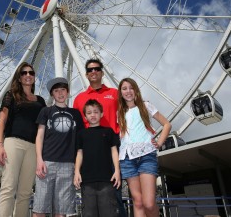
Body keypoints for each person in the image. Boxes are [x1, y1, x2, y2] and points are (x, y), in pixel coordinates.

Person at [73, 58, 126, 217]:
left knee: (115, 197)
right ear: (86, 74)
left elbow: (127, 113)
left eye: (96, 69)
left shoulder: (114, 94)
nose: (93, 72)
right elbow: (77, 129)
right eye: (90, 70)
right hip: (90, 154)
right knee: (90, 203)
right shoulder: (79, 99)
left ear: (102, 72)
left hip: (112, 148)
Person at [0, 62, 46, 217]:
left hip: (33, 147)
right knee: (8, 187)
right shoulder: (11, 95)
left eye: (31, 73)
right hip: (13, 142)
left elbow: (43, 128)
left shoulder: (40, 101)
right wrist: (0, 145)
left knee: (25, 192)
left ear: (34, 77)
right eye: (24, 73)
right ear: (19, 77)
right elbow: (2, 121)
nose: (28, 75)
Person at [117, 78, 172, 217]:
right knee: (138, 202)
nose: (128, 91)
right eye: (124, 88)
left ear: (136, 90)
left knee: (149, 203)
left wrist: (159, 142)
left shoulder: (145, 106)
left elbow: (167, 124)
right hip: (127, 158)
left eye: (131, 87)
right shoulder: (119, 113)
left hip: (146, 155)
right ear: (120, 92)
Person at [32, 77, 84, 217]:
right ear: (52, 94)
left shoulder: (76, 114)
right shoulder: (46, 111)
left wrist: (77, 168)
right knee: (39, 208)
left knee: (61, 211)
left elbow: (80, 144)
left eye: (63, 90)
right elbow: (39, 136)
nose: (60, 93)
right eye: (56, 91)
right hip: (47, 162)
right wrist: (39, 160)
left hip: (68, 164)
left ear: (67, 92)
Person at [74, 99, 121, 217]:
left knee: (109, 212)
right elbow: (79, 153)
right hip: (87, 181)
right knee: (89, 213)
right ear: (85, 116)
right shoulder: (81, 134)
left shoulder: (109, 132)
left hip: (107, 179)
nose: (92, 115)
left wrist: (117, 170)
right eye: (89, 113)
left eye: (95, 112)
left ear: (102, 114)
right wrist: (76, 172)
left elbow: (114, 151)